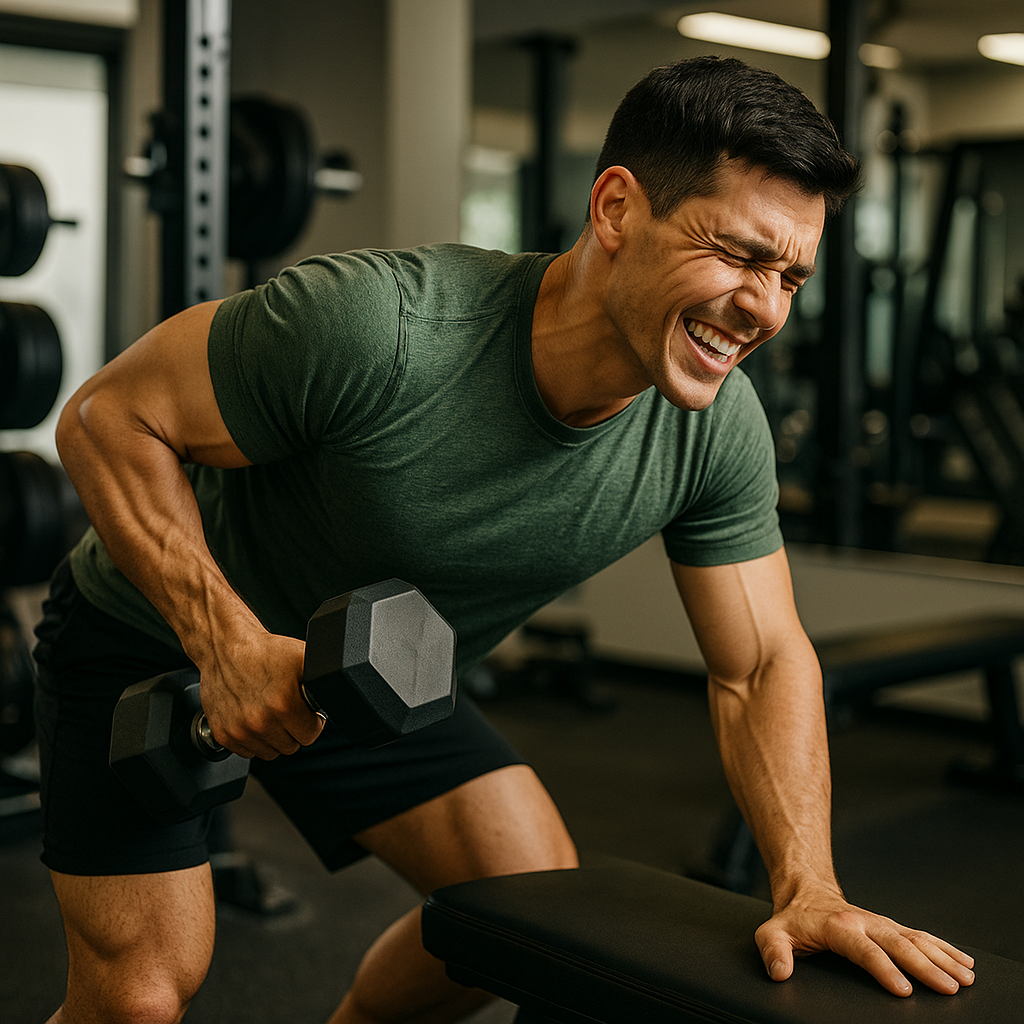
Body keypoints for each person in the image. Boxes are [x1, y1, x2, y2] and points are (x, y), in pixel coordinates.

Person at [34, 55, 975, 1024]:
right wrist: (223, 641)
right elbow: (107, 418)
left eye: (789, 276)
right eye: (738, 254)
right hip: (150, 633)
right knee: (139, 997)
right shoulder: (382, 327)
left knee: (529, 920)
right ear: (615, 209)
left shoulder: (715, 429)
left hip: (371, 672)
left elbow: (763, 660)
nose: (766, 308)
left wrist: (807, 885)